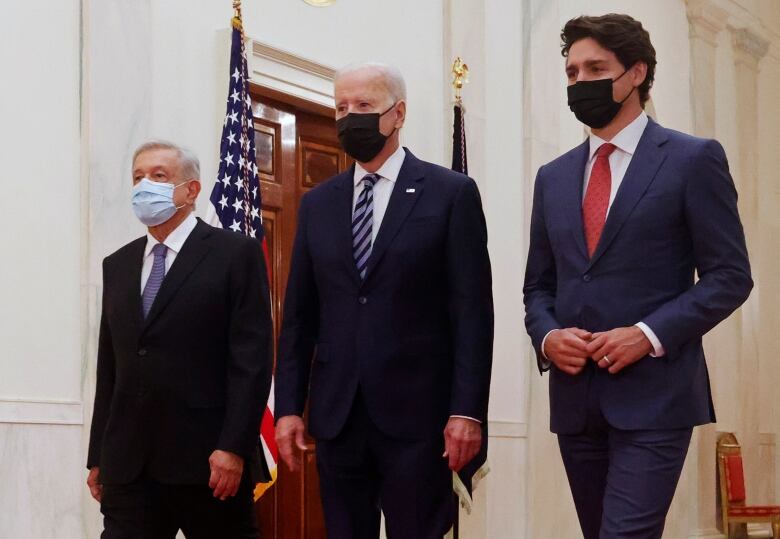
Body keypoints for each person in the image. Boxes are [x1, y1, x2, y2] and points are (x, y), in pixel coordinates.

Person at [523, 14, 752, 539]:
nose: (580, 81)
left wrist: (647, 335)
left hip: (656, 397)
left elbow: (730, 276)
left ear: (635, 74)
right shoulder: (553, 177)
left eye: (595, 68)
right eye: (572, 71)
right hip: (576, 401)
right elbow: (538, 286)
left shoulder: (693, 159)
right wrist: (548, 335)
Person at [273, 63, 494, 539]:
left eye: (364, 106)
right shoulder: (319, 204)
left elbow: (472, 313)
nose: (349, 116)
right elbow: (299, 317)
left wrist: (467, 411)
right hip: (338, 417)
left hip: (421, 420)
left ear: (398, 114)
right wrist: (289, 406)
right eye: (340, 107)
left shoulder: (450, 194)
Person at [86, 140, 273, 538]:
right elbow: (110, 366)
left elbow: (251, 362)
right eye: (137, 177)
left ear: (191, 190)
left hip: (209, 465)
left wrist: (233, 447)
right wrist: (99, 456)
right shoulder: (117, 264)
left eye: (158, 176)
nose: (144, 186)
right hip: (130, 467)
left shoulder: (234, 254)